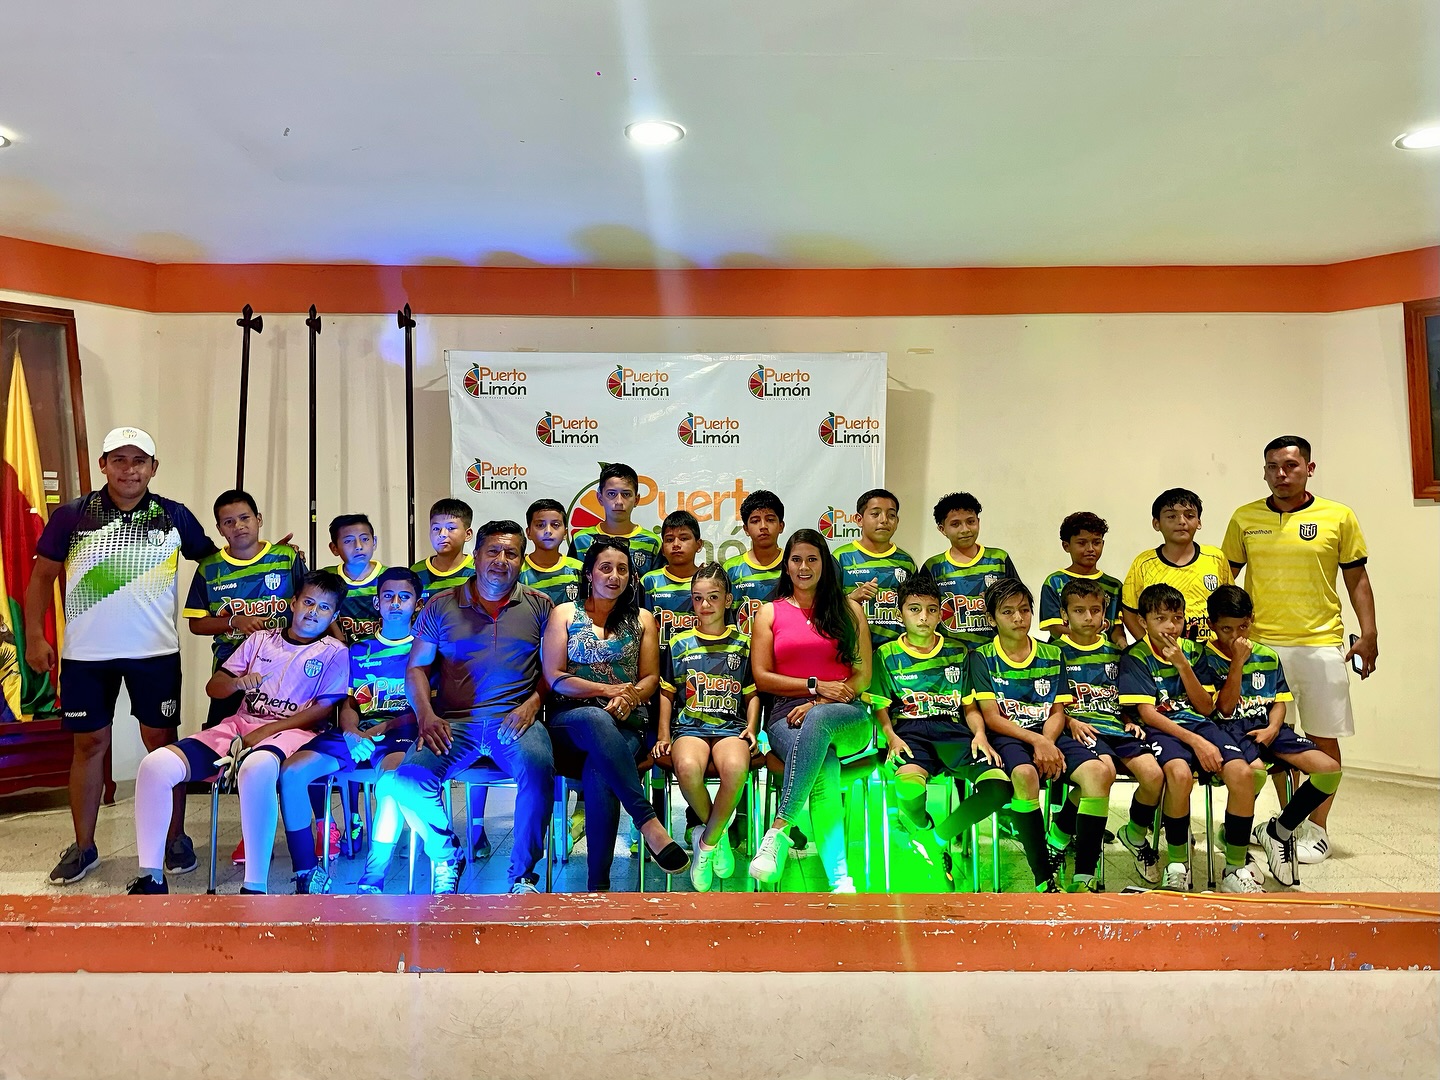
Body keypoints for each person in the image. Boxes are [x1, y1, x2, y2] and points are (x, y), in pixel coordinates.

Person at [26, 426, 217, 885]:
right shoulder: (71, 516)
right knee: (88, 745)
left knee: (162, 746)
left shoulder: (174, 515)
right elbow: (41, 578)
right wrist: (34, 636)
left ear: (153, 468)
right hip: (85, 656)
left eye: (139, 461)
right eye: (119, 460)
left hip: (155, 653)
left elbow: (216, 564)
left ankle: (174, 839)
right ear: (103, 465)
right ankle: (84, 846)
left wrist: (268, 559)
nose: (129, 470)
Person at [126, 571, 349, 894]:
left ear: (334, 615)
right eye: (308, 602)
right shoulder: (260, 640)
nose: (313, 612)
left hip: (295, 732)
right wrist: (236, 683)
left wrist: (268, 730)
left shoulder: (334, 651)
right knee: (155, 766)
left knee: (255, 767)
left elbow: (323, 710)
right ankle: (151, 879)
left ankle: (254, 887)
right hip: (240, 725)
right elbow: (214, 687)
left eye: (324, 608)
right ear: (293, 603)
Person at [380, 520, 556, 894]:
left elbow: (552, 671)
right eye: (493, 551)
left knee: (538, 770)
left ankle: (523, 877)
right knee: (408, 779)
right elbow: (416, 668)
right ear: (475, 556)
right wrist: (426, 716)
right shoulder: (441, 605)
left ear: (522, 560)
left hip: (515, 720)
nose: (501, 560)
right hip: (453, 723)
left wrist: (533, 704)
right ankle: (447, 854)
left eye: (511, 553)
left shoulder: (540, 606)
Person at [1221, 434, 1374, 863]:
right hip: (1261, 647)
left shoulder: (1338, 516)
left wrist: (1369, 633)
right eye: (1273, 467)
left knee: (1324, 739)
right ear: (1264, 471)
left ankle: (1316, 830)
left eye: (1290, 465)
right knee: (1272, 741)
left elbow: (1357, 580)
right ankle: (1285, 826)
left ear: (1309, 468)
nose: (1281, 474)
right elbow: (1225, 581)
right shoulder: (1244, 517)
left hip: (1320, 644)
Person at [542, 535, 689, 889]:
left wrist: (631, 696)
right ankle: (648, 822)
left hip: (626, 724)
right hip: (570, 722)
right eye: (605, 568)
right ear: (589, 573)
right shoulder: (565, 614)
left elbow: (650, 678)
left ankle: (599, 888)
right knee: (595, 718)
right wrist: (607, 690)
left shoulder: (642, 619)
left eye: (622, 570)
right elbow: (554, 676)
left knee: (600, 769)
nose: (614, 576)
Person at [276, 567, 423, 894]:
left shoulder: (426, 649)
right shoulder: (357, 651)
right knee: (292, 773)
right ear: (377, 602)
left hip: (402, 733)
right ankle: (306, 872)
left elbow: (425, 708)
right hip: (356, 734)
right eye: (388, 596)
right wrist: (352, 732)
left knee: (389, 782)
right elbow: (348, 702)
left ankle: (374, 874)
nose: (395, 603)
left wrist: (378, 729)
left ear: (417, 604)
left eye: (404, 597)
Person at [1118, 583, 1266, 893]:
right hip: (1163, 729)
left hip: (1201, 724)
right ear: (1143, 621)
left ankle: (1234, 869)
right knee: (1179, 774)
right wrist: (1196, 743)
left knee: (1243, 774)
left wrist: (1182, 665)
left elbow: (1206, 707)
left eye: (1177, 618)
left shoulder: (1194, 652)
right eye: (1160, 618)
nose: (1170, 627)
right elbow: (1149, 714)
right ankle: (1177, 865)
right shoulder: (1135, 656)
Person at [747, 529, 872, 892]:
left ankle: (779, 829)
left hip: (846, 712)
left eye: (812, 559)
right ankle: (840, 879)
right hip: (786, 717)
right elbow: (762, 677)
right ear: (786, 566)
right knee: (825, 766)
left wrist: (820, 701)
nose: (804, 567)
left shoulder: (849, 610)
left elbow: (863, 675)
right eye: (797, 560)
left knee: (818, 719)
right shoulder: (769, 612)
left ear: (824, 565)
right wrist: (814, 686)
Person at [968, 578, 1109, 892]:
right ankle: (1044, 878)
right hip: (1008, 736)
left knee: (1098, 773)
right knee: (1024, 775)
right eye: (1008, 612)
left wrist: (1047, 741)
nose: (1019, 618)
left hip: (1048, 733)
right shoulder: (981, 657)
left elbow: (1058, 710)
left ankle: (1083, 877)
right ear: (992, 618)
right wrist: (1037, 742)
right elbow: (991, 717)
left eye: (1024, 610)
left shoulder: (1052, 653)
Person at [1196, 585, 1343, 887]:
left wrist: (1274, 728)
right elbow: (1223, 709)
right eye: (1226, 629)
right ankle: (1233, 842)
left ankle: (1279, 830)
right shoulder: (1203, 658)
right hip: (1228, 730)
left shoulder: (1267, 655)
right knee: (1255, 774)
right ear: (1211, 624)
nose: (1236, 636)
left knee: (1329, 770)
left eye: (1242, 627)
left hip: (1267, 728)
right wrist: (1237, 663)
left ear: (1251, 619)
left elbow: (1279, 701)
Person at [870, 574, 1009, 888]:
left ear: (940, 613)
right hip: (909, 731)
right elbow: (880, 707)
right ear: (899, 614)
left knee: (999, 787)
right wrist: (890, 736)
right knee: (908, 789)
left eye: (931, 610)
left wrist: (980, 734)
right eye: (914, 609)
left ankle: (935, 840)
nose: (924, 617)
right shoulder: (886, 654)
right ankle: (922, 826)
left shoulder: (959, 652)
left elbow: (970, 706)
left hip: (953, 730)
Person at [653, 563, 759, 892]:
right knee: (686, 767)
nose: (705, 604)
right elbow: (667, 693)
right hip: (691, 728)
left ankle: (706, 842)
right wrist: (663, 734)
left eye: (713, 597)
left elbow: (752, 693)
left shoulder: (744, 643)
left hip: (731, 728)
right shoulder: (679, 643)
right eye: (698, 598)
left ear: (728, 600)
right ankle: (719, 836)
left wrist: (753, 727)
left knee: (736, 769)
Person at [1052, 578, 1165, 885]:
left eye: (1095, 610)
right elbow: (1047, 704)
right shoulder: (1053, 653)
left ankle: (1135, 834)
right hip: (1079, 729)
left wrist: (1129, 719)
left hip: (1116, 727)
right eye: (1079, 611)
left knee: (1154, 776)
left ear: (1104, 613)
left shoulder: (1118, 654)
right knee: (1104, 774)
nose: (1088, 617)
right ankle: (1076, 860)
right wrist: (1069, 721)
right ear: (1064, 615)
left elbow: (1125, 697)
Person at [184, 489, 306, 730]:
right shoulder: (209, 569)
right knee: (224, 734)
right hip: (231, 667)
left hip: (285, 662)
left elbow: (310, 604)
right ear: (220, 529)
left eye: (244, 518)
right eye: (228, 522)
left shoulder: (286, 558)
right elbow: (196, 624)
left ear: (258, 519)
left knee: (285, 733)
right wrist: (234, 621)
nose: (238, 526)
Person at [1120, 488, 1232, 644]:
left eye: (1189, 515)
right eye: (1171, 516)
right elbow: (1129, 612)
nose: (1181, 521)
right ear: (1156, 523)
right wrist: (1150, 647)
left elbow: (1230, 606)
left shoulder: (1216, 558)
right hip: (1162, 652)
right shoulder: (1144, 563)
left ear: (1199, 522)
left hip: (1210, 651)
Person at [921, 492, 1019, 648]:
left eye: (970, 521)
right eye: (955, 524)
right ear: (942, 529)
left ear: (978, 522)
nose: (965, 529)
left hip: (994, 651)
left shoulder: (999, 559)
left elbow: (1019, 602)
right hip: (949, 653)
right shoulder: (933, 566)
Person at [834, 488, 917, 648]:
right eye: (875, 514)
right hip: (852, 648)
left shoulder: (906, 562)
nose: (884, 520)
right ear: (859, 519)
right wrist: (851, 599)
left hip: (896, 652)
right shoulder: (840, 557)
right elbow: (824, 605)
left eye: (891, 515)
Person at [1038, 512, 1126, 648]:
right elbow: (1055, 628)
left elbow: (1116, 627)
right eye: (1082, 543)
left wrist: (1122, 644)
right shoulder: (1054, 582)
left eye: (1096, 543)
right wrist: (1086, 642)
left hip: (1105, 656)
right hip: (1065, 654)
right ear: (1066, 546)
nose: (1090, 549)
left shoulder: (1114, 586)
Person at [568, 463, 662, 584]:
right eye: (611, 494)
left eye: (626, 494)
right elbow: (572, 585)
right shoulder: (581, 540)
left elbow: (657, 588)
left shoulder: (652, 542)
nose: (619, 502)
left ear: (636, 499)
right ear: (600, 498)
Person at [724, 489, 786, 635]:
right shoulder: (731, 568)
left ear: (781, 526)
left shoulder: (792, 564)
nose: (763, 526)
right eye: (755, 521)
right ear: (746, 529)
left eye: (770, 519)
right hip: (743, 647)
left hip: (785, 645)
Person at [641, 510, 704, 653]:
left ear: (699, 544)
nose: (676, 544)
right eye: (669, 540)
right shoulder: (649, 582)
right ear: (662, 549)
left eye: (684, 538)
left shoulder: (709, 581)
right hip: (657, 660)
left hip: (699, 661)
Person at [321, 513, 383, 643]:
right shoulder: (326, 577)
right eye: (348, 541)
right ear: (334, 548)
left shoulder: (390, 578)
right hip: (338, 651)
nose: (358, 546)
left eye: (365, 539)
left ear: (374, 542)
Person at [519, 498, 583, 605]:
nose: (548, 531)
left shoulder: (579, 568)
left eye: (555, 525)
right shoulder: (518, 569)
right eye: (540, 525)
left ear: (565, 533)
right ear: (528, 532)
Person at [412, 498, 475, 602]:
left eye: (451, 528)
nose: (442, 534)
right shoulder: (416, 572)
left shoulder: (477, 571)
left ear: (467, 534)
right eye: (436, 528)